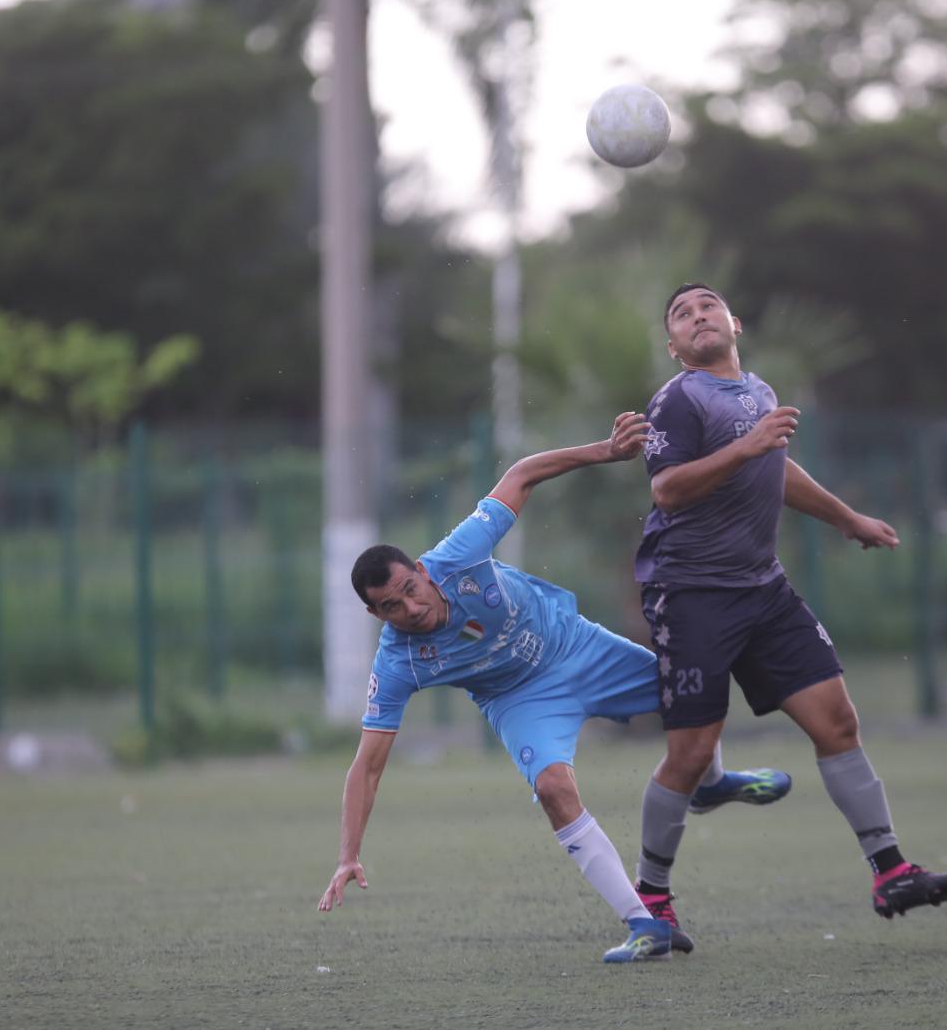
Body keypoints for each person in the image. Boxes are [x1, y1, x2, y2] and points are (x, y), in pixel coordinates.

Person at [316, 412, 793, 963]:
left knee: (695, 692)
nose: (412, 609)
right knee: (552, 789)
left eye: (409, 589)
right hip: (521, 699)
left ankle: (709, 783)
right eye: (391, 608)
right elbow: (367, 766)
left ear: (422, 571)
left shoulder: (459, 554)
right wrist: (348, 854)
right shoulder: (399, 662)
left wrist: (605, 452)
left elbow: (521, 474)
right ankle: (644, 924)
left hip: (578, 648)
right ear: (375, 615)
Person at [631, 282, 947, 923]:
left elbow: (776, 470)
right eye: (681, 313)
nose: (697, 315)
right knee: (692, 754)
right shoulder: (677, 400)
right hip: (691, 594)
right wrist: (748, 446)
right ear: (674, 348)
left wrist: (845, 518)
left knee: (837, 722)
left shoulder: (757, 392)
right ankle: (651, 899)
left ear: (734, 322)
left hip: (763, 589)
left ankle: (891, 871)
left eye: (707, 306)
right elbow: (669, 489)